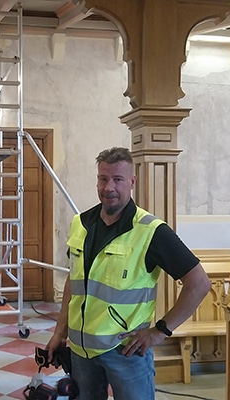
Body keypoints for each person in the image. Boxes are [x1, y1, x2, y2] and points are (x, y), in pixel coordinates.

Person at [45, 147, 211, 400]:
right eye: (103, 179)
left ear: (132, 182)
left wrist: (160, 331)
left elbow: (199, 283)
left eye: (118, 179)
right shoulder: (81, 223)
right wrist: (60, 332)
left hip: (125, 352)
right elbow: (74, 280)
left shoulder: (151, 231)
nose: (108, 187)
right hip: (81, 352)